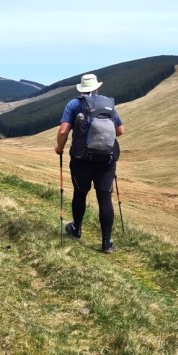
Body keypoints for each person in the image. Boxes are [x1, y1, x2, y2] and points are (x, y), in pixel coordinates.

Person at [55, 73, 125, 253]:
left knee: (80, 193)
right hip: (106, 161)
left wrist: (59, 148)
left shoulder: (74, 104)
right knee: (105, 199)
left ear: (82, 89)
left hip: (81, 160)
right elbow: (120, 131)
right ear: (97, 87)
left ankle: (76, 229)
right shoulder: (108, 105)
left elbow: (63, 131)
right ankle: (106, 242)